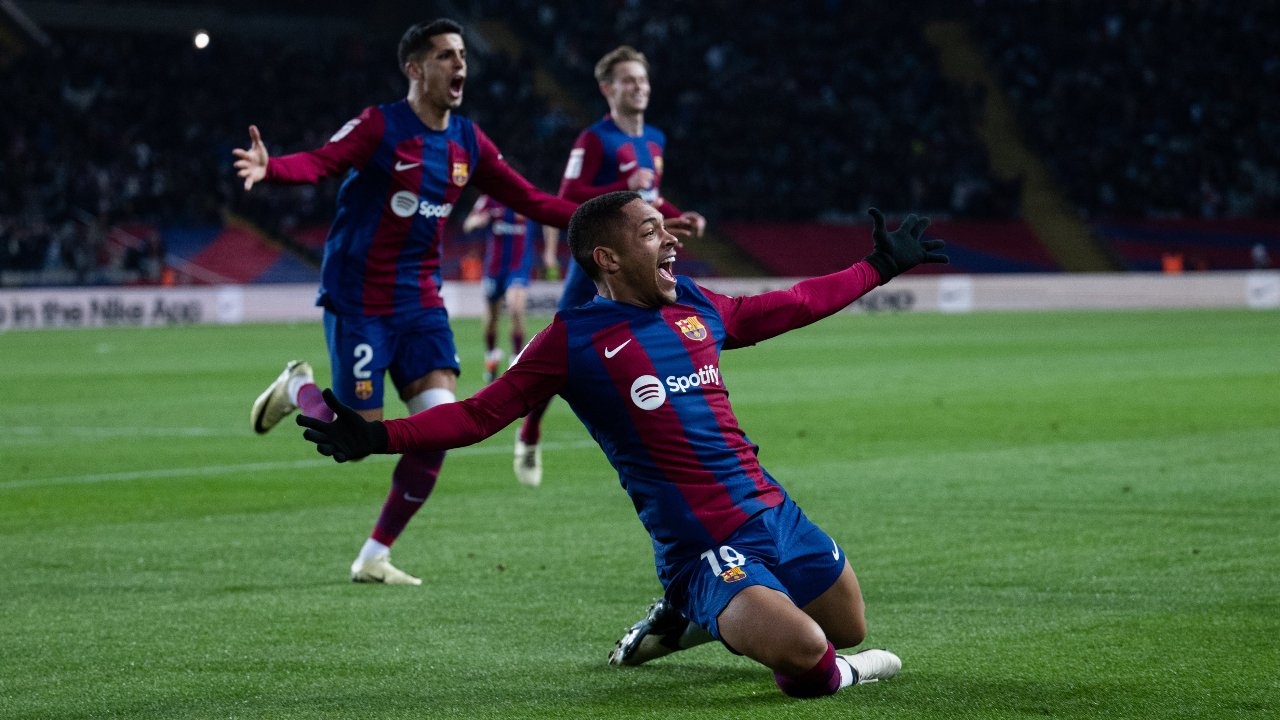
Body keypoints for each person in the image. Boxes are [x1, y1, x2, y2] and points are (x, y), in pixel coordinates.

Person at [295, 191, 948, 697]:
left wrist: (878, 266)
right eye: (651, 232)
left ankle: (688, 622)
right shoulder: (571, 341)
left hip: (774, 513)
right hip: (703, 547)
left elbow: (791, 303)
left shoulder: (692, 303)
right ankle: (833, 668)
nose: (671, 241)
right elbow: (477, 415)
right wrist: (378, 436)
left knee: (848, 624)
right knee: (810, 652)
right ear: (606, 258)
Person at [234, 19, 581, 586]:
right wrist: (271, 168)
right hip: (359, 299)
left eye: (463, 54)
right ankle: (297, 387)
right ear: (415, 69)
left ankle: (373, 555)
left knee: (439, 428)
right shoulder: (380, 126)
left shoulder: (469, 141)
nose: (460, 65)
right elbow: (322, 161)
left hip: (420, 301)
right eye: (446, 55)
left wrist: (612, 214)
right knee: (355, 439)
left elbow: (533, 199)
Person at [515, 45, 707, 488]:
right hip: (598, 264)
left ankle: (665, 432)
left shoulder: (655, 138)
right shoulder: (594, 139)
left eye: (642, 79)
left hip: (642, 261)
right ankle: (529, 430)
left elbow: (649, 198)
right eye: (628, 80)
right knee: (558, 347)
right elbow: (568, 195)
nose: (638, 87)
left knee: (662, 337)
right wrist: (622, 183)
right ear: (608, 89)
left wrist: (680, 211)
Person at [462, 195, 537, 384]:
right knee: (491, 317)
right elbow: (468, 224)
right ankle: (491, 354)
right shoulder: (488, 200)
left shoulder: (525, 198)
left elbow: (547, 216)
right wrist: (477, 221)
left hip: (518, 267)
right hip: (494, 268)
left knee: (516, 307)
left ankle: (515, 359)